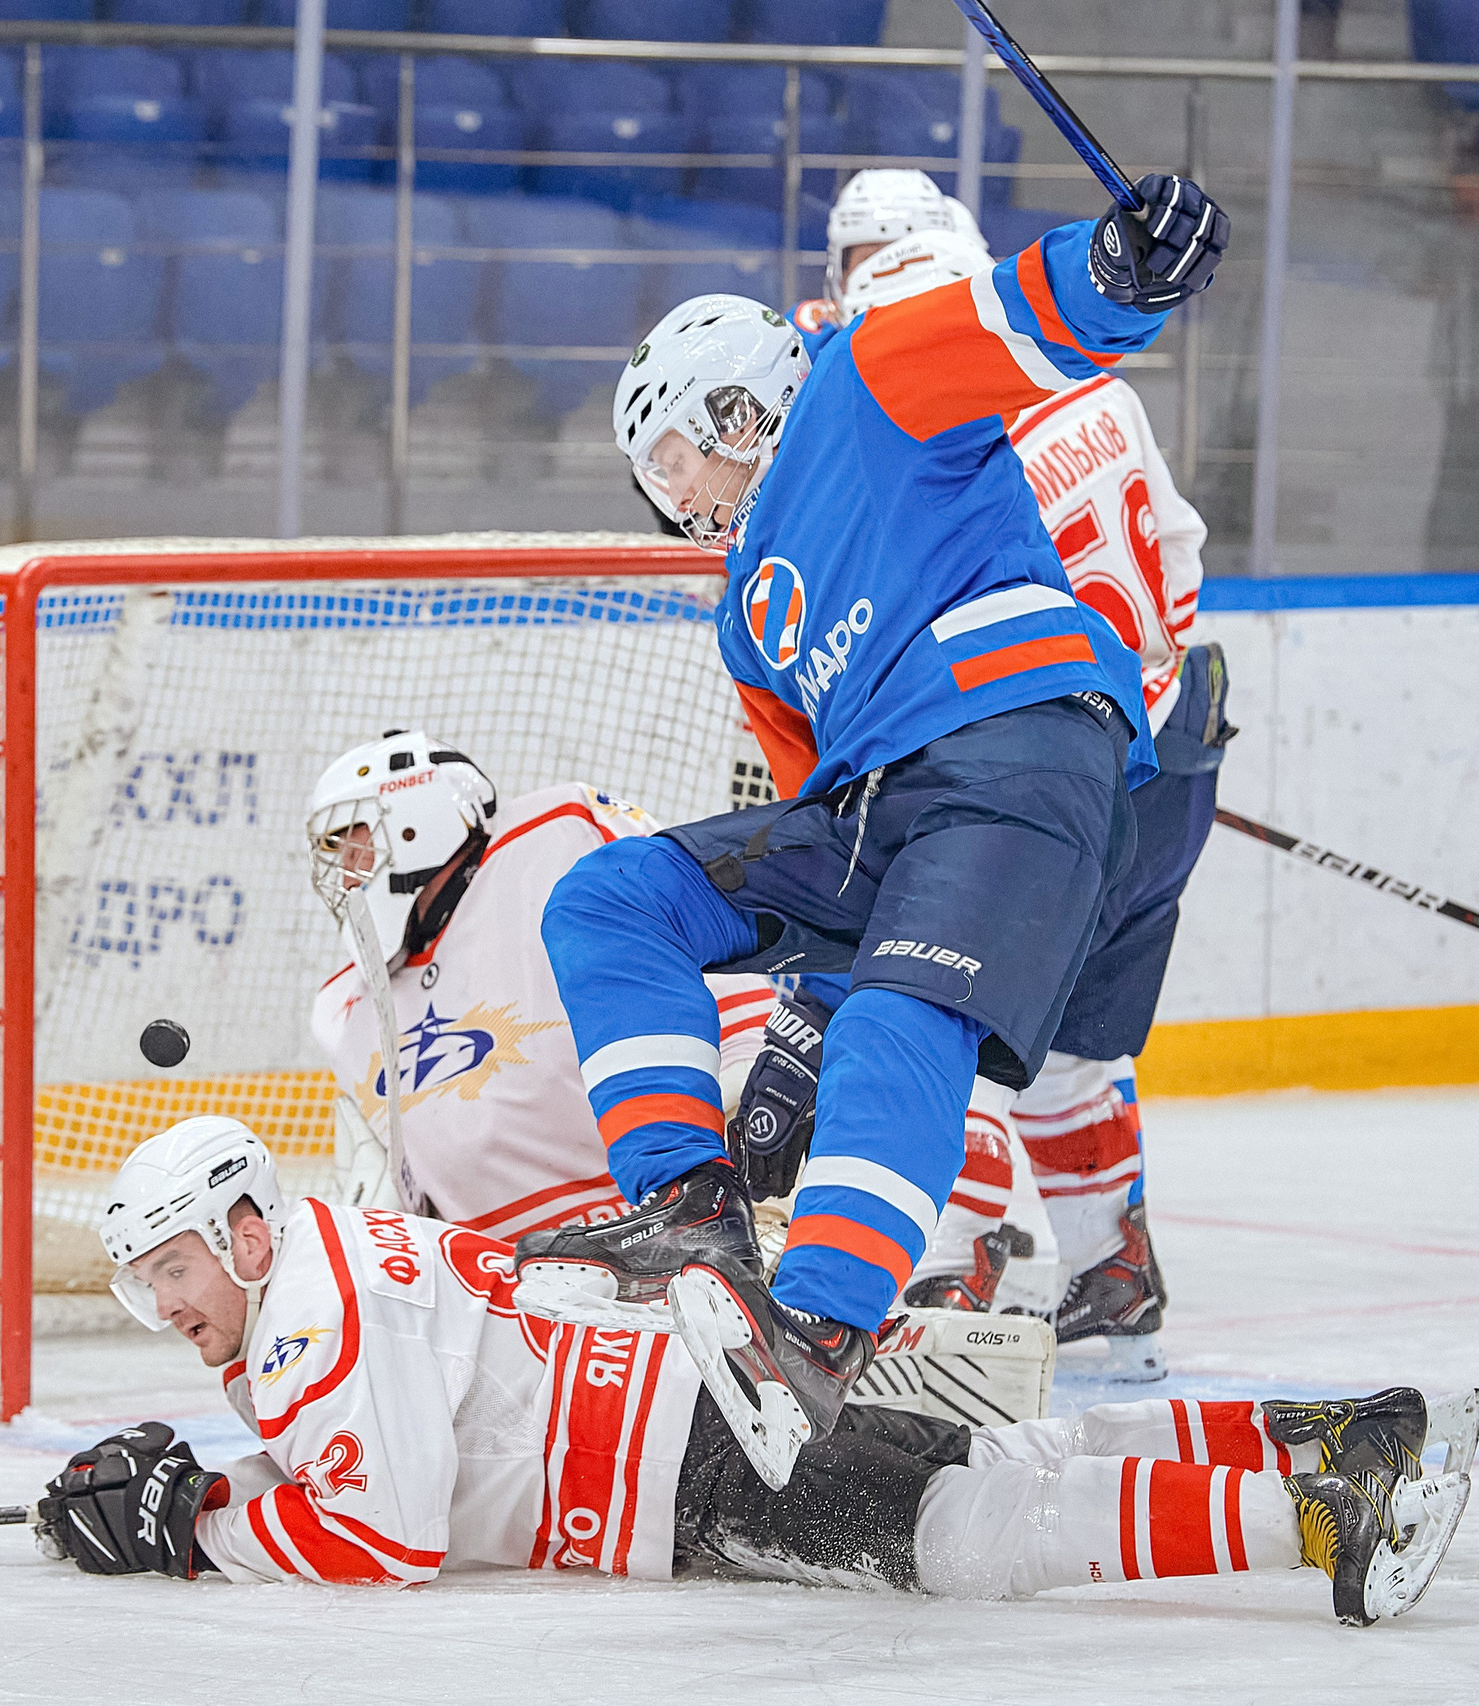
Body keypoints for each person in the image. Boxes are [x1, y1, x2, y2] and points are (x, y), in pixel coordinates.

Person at [506, 170, 1232, 1484]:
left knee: (907, 1013)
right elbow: (812, 826)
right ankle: (690, 1207)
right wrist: (797, 1021)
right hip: (881, 809)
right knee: (608, 897)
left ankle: (822, 1325)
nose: (673, 502)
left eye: (672, 461)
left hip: (1016, 741)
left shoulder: (859, 380)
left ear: (736, 407)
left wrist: (1125, 262)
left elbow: (1036, 318)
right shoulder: (746, 615)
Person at [33, 1117, 1479, 1630]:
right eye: (142, 1279)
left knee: (977, 1537)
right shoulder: (327, 1248)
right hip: (713, 1380)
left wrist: (200, 1529)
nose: (162, 1303)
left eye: (171, 1268)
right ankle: (1332, 1433)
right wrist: (232, 1479)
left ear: (237, 1228)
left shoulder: (304, 1322)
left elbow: (389, 1534)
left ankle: (1327, 1516)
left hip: (679, 1471)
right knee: (1012, 1460)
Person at [733, 192, 1234, 1379]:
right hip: (1164, 745)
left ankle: (960, 1269)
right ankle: (1112, 1260)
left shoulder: (934, 435)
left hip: (1028, 774)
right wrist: (1144, 714)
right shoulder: (1102, 397)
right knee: (1073, 1045)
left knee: (932, 997)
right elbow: (1180, 557)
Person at [302, 730, 776, 1239]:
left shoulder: (555, 839)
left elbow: (696, 945)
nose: (346, 877)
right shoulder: (344, 1011)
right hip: (517, 1286)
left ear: (415, 823)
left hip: (677, 1217)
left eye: (355, 845)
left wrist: (755, 1082)